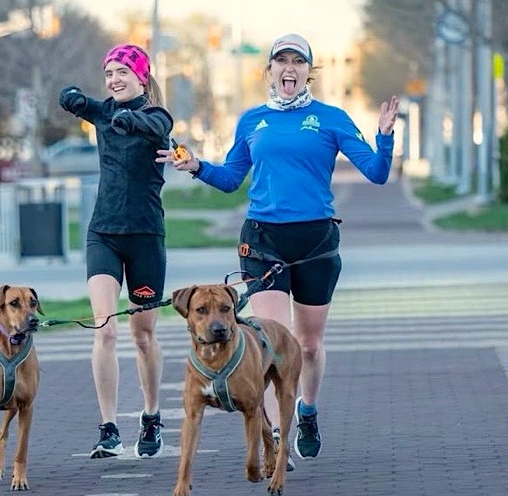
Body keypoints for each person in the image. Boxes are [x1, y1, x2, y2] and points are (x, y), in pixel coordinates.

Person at [157, 33, 398, 464]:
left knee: (306, 344)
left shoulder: (330, 118)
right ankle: (274, 439)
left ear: (309, 71)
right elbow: (231, 177)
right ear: (269, 70)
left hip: (315, 241)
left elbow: (377, 174)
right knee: (269, 342)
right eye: (281, 61)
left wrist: (384, 136)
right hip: (263, 239)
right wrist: (196, 166)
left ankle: (306, 410)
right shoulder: (252, 120)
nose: (289, 68)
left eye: (298, 62)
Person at [58, 43, 173, 459]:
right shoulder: (103, 111)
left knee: (142, 336)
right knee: (104, 329)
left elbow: (155, 126)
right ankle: (108, 428)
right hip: (103, 233)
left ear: (141, 76)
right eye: (108, 73)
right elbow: (75, 100)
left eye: (122, 72)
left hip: (145, 237)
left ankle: (151, 416)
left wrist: (130, 119)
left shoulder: (158, 116)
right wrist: (70, 97)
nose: (113, 79)